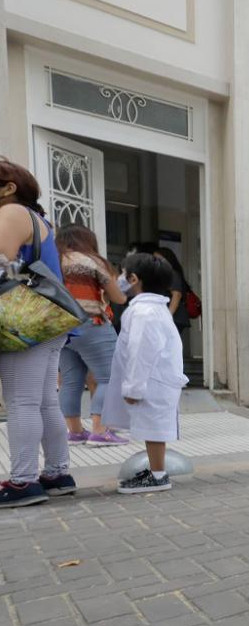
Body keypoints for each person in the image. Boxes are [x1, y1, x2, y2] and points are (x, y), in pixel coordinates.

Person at [0, 158, 76, 507]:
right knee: (44, 400)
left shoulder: (12, 214)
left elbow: (2, 262)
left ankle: (23, 481)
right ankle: (57, 474)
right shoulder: (39, 219)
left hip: (24, 319)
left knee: (21, 402)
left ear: (9, 187)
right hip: (48, 320)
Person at [103, 254, 188, 494]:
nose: (119, 279)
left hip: (152, 380)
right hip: (156, 379)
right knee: (154, 428)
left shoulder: (144, 313)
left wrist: (133, 388)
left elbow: (141, 351)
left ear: (133, 279)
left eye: (122, 274)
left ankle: (158, 475)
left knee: (154, 429)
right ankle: (156, 472)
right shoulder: (151, 309)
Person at [56, 224, 130, 447]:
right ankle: (100, 430)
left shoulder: (55, 261)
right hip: (91, 324)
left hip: (60, 328)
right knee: (109, 377)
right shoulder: (92, 261)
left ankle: (75, 432)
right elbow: (118, 298)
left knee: (70, 381)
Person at [153, 247, 192, 344]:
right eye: (154, 260)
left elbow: (176, 295)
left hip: (174, 317)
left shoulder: (172, 274)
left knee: (167, 345)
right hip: (174, 317)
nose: (155, 263)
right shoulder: (166, 274)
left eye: (158, 259)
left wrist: (167, 316)